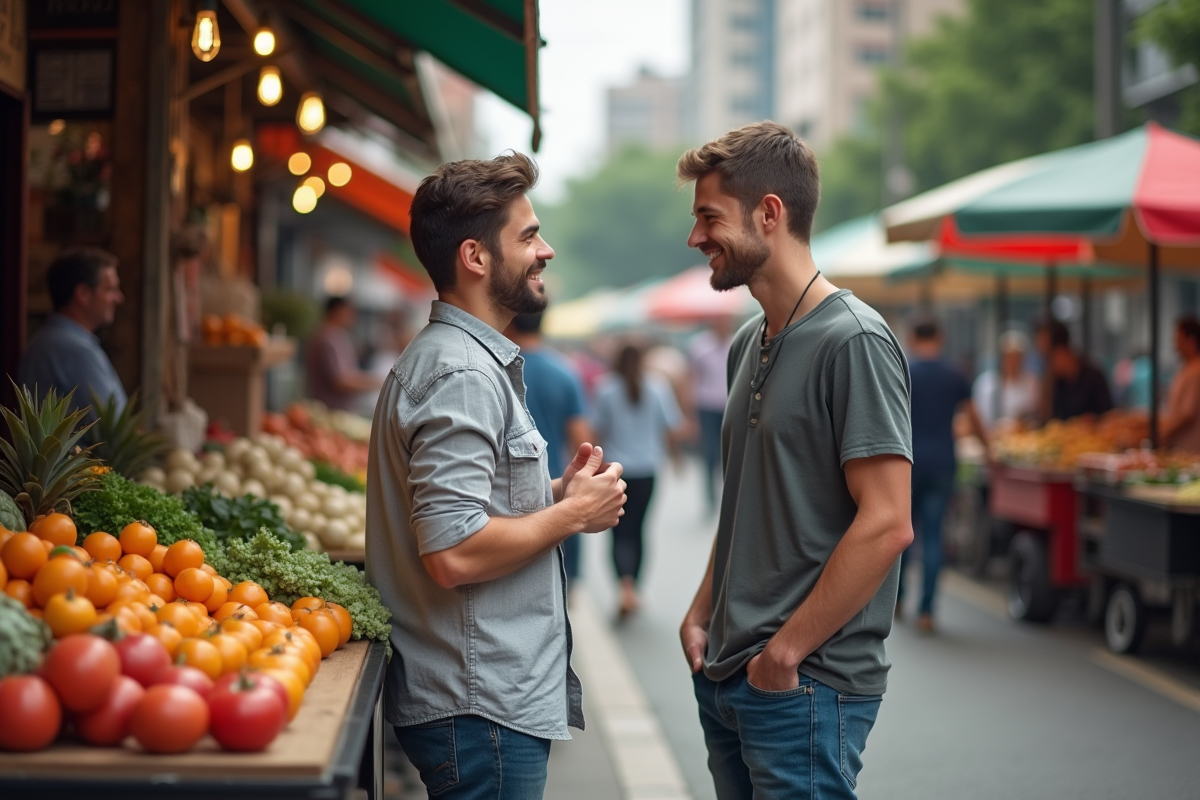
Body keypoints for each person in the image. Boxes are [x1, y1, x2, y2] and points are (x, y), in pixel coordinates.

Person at [364, 153, 627, 799]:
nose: (547, 250)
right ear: (476, 258)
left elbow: (472, 510)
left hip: (479, 701)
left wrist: (557, 492)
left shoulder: (463, 364)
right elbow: (452, 553)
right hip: (479, 706)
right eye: (529, 236)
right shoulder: (461, 374)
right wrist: (571, 516)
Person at [676, 122, 913, 799]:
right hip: (729, 674)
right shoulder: (746, 342)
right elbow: (749, 504)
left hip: (803, 686)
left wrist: (785, 654)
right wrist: (701, 613)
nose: (696, 238)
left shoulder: (855, 340)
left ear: (770, 214)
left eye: (709, 217)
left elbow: (888, 522)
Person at [903, 318, 990, 633]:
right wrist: (989, 450)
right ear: (940, 337)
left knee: (900, 535)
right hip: (943, 463)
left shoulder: (905, 370)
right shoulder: (955, 373)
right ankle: (927, 611)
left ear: (913, 337)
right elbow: (974, 416)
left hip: (906, 463)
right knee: (934, 537)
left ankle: (897, 599)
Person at [591, 342, 685, 617]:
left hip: (616, 471)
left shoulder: (604, 388)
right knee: (639, 530)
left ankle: (624, 587)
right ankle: (635, 588)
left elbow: (596, 430)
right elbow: (670, 428)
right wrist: (677, 458)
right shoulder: (657, 387)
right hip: (647, 470)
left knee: (619, 531)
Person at [505, 310, 593, 584]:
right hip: (557, 491)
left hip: (507, 497)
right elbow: (583, 443)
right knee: (563, 583)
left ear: (509, 322)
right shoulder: (565, 372)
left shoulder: (500, 371)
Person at [19, 248, 127, 418]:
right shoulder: (76, 350)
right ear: (83, 294)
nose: (119, 298)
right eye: (110, 290)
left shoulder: (44, 339)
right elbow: (112, 426)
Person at [690, 317, 735, 512]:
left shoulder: (736, 342)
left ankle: (730, 494)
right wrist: (690, 412)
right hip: (707, 404)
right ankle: (710, 498)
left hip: (729, 403)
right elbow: (691, 377)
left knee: (731, 452)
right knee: (710, 452)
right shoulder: (700, 346)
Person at [305, 296, 380, 411]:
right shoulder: (327, 338)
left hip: (337, 410)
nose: (353, 316)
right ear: (337, 311)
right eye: (349, 311)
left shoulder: (335, 335)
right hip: (331, 411)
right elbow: (341, 381)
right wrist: (377, 383)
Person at [1044, 320, 1113, 420]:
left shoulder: (1094, 375)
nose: (1048, 366)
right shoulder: (1058, 382)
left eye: (1049, 359)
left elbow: (1109, 414)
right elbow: (1049, 418)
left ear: (1061, 352)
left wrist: (1093, 419)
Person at [972, 330, 1039, 431]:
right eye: (1008, 356)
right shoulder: (985, 383)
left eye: (1016, 357)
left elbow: (1034, 416)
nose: (1012, 362)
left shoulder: (1031, 383)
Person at [1161, 316, 1200, 452]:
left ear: (1191, 341)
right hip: (1181, 448)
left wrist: (1163, 433)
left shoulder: (1196, 371)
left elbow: (1187, 413)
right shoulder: (1187, 368)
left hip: (1190, 449)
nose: (1175, 346)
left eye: (1178, 340)